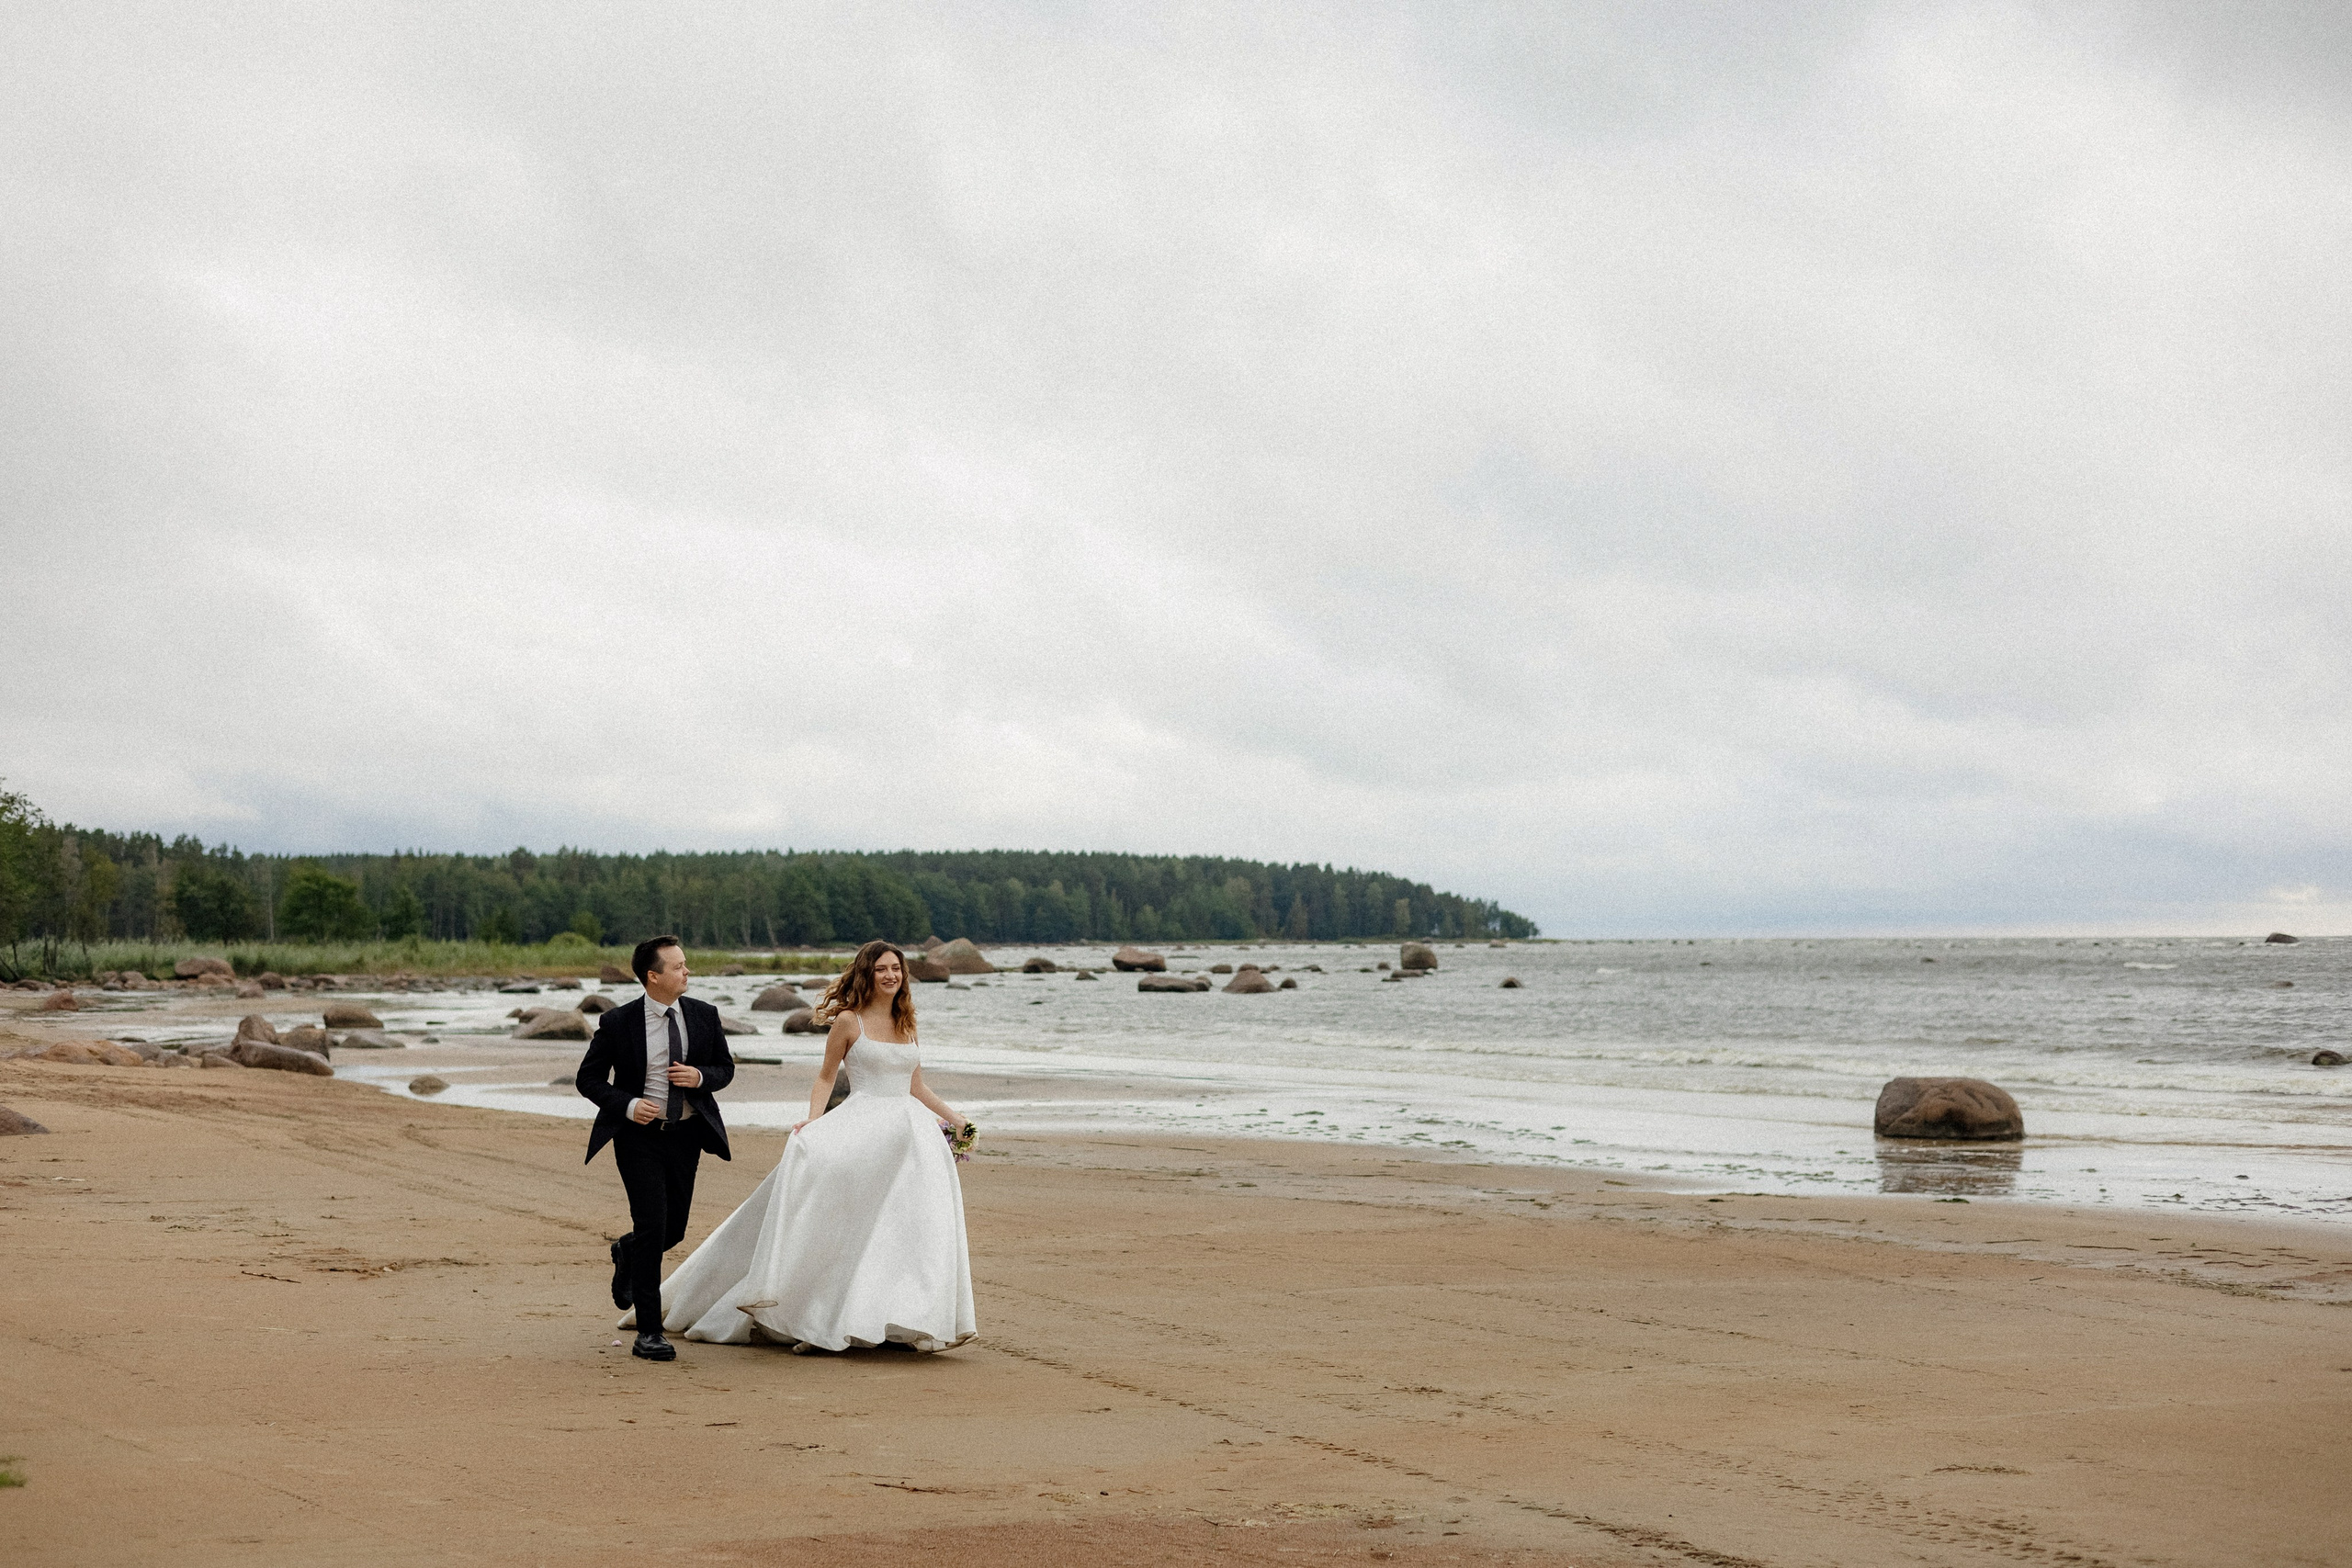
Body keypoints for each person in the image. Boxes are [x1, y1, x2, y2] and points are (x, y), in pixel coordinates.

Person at [642, 939, 977, 1353]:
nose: (890, 975)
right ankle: (819, 1318)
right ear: (867, 974)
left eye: (896, 968)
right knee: (845, 1221)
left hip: (909, 1136)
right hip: (864, 1126)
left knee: (902, 1229)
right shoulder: (849, 1021)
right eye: (881, 969)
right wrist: (814, 1121)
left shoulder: (906, 1022)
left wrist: (957, 1119)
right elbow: (826, 1076)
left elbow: (916, 1086)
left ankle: (895, 1319)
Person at [575, 934, 736, 1362]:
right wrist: (628, 1105)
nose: (687, 972)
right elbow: (588, 1079)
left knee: (674, 1230)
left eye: (685, 964)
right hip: (637, 1139)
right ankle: (649, 1332)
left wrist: (699, 1077)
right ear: (653, 976)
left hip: (687, 1136)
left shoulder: (703, 1015)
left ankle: (626, 1250)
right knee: (652, 1227)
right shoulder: (619, 1022)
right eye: (679, 966)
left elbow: (724, 1068)